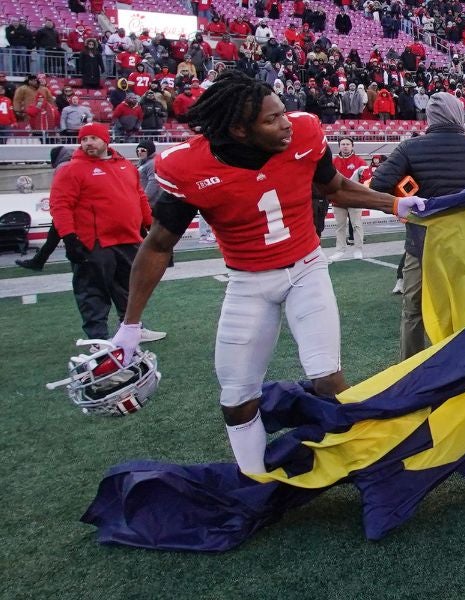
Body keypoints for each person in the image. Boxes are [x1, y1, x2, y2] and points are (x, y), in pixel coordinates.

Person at [109, 70, 425, 476]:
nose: (287, 123)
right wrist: (130, 324)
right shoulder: (188, 166)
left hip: (307, 269)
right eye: (272, 119)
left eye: (283, 112)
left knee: (327, 378)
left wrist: (393, 204)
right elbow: (158, 245)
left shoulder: (306, 133)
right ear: (239, 130)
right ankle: (255, 481)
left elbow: (335, 189)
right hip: (248, 282)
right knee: (237, 396)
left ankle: (368, 463)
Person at [371, 92, 465, 360]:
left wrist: (408, 195)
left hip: (422, 242)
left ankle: (411, 371)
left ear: (429, 116)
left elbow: (378, 184)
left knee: (413, 310)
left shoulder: (410, 147)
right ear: (459, 114)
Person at [49, 123, 165, 343]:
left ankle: (132, 329)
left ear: (106, 140)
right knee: (92, 292)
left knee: (130, 289)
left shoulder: (125, 165)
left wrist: (151, 225)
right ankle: (98, 339)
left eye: (93, 138)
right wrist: (69, 237)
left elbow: (139, 196)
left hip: (128, 237)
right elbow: (60, 205)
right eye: (84, 139)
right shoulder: (70, 169)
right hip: (94, 242)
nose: (88, 143)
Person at [15, 146, 71, 271]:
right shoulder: (73, 163)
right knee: (55, 235)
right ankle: (39, 260)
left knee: (62, 236)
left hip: (69, 209)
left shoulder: (63, 167)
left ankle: (39, 261)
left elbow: (61, 192)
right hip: (71, 208)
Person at [330, 137, 368, 261]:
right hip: (338, 199)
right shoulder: (333, 162)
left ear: (352, 146)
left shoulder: (360, 162)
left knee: (356, 225)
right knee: (340, 226)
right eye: (342, 144)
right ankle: (340, 250)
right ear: (339, 146)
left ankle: (358, 249)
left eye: (347, 144)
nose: (345, 146)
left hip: (354, 199)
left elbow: (366, 181)